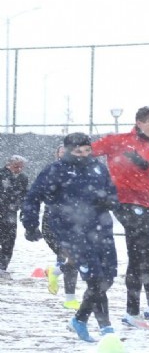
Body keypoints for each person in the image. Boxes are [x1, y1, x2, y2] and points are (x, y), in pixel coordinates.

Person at [21, 133, 119, 342]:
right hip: (71, 231)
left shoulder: (98, 167)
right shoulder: (55, 170)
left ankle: (80, 319)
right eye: (78, 152)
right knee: (95, 278)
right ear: (67, 151)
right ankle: (106, 327)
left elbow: (111, 191)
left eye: (87, 151)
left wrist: (110, 201)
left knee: (108, 276)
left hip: (101, 229)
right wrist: (30, 224)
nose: (83, 155)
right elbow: (33, 196)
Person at [91, 106, 149, 329]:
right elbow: (86, 152)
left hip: (145, 201)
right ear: (139, 122)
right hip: (123, 200)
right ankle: (132, 310)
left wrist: (144, 164)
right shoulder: (117, 140)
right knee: (139, 250)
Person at [41, 145, 81, 309]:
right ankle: (68, 297)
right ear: (56, 154)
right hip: (53, 221)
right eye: (62, 152)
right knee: (72, 257)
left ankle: (56, 273)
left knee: (76, 259)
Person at [0, 155, 29, 279]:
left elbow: (24, 195)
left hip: (11, 214)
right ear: (9, 164)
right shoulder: (1, 174)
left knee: (9, 242)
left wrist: (24, 211)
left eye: (22, 167)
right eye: (17, 166)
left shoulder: (23, 178)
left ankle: (2, 268)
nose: (19, 169)